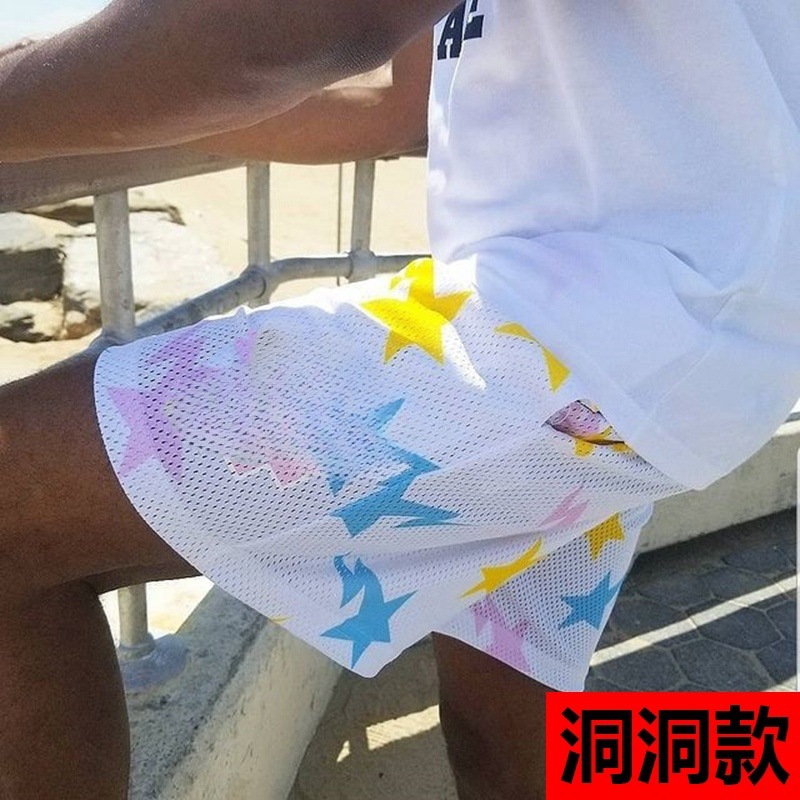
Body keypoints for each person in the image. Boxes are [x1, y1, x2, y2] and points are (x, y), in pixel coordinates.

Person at [1, 1, 798, 798]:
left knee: (15, 503)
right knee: (500, 731)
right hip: (650, 338)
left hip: (605, 332)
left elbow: (299, 27)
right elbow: (392, 99)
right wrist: (126, 118)